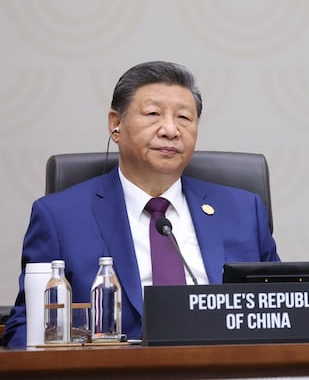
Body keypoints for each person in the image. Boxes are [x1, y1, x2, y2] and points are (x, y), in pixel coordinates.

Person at [2, 61, 279, 347]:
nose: (171, 130)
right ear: (115, 125)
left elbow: (283, 312)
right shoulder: (59, 217)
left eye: (184, 117)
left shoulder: (244, 211)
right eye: (153, 114)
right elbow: (26, 329)